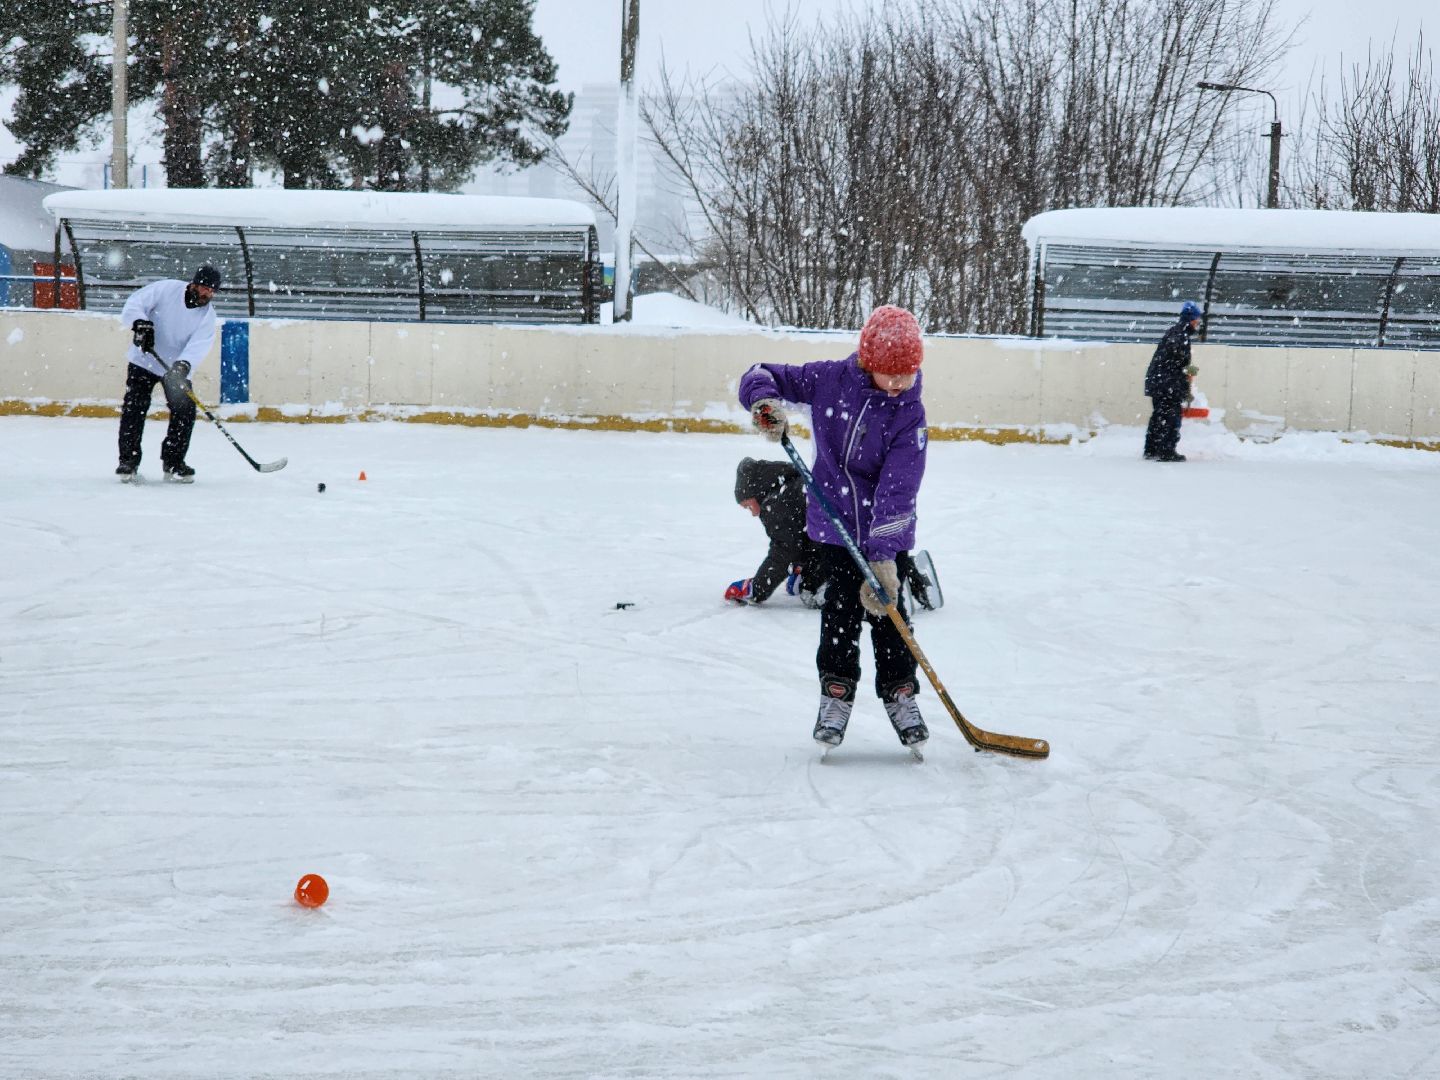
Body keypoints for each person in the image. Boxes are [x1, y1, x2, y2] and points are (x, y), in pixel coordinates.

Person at [737, 304, 930, 753]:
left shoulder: (909, 414)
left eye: (908, 373)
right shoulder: (830, 380)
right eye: (890, 373)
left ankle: (901, 693)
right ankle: (836, 695)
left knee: (891, 620)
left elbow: (898, 489)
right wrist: (764, 403)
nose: (900, 382)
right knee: (840, 615)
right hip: (832, 531)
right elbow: (760, 372)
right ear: (868, 362)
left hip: (886, 538)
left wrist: (884, 557)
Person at [115, 265, 222, 483]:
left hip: (175, 371)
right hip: (143, 361)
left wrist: (184, 365)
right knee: (134, 410)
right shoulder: (166, 289)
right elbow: (135, 304)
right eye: (203, 288)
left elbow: (199, 345)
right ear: (193, 283)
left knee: (184, 413)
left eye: (211, 291)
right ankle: (128, 462)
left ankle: (173, 463)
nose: (206, 294)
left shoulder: (207, 317)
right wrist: (140, 324)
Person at [725, 457, 827, 607]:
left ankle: (848, 594)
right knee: (800, 586)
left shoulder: (776, 504)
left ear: (755, 492)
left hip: (838, 551)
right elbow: (802, 537)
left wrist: (756, 588)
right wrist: (803, 566)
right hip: (832, 545)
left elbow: (785, 550)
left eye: (748, 506)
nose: (753, 513)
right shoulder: (791, 486)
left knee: (810, 592)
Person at [1143, 300, 1201, 462]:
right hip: (1166, 384)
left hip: (1159, 382)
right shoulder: (1180, 336)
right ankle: (1166, 451)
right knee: (1170, 418)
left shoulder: (1175, 332)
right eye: (1197, 319)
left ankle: (1152, 449)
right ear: (1190, 319)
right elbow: (1179, 362)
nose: (1198, 322)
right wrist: (1190, 372)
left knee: (1159, 416)